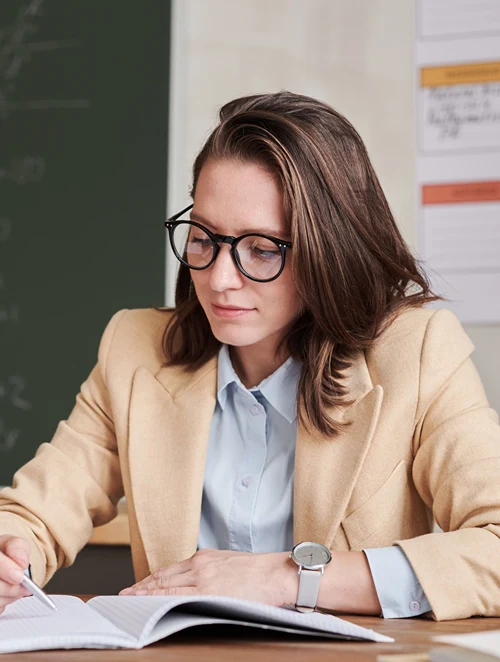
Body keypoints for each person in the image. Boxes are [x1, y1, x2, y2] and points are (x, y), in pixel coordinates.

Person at [1, 91, 500, 621]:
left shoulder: (417, 353)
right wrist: (12, 549)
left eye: (261, 249)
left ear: (330, 249)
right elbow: (34, 513)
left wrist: (286, 578)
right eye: (202, 237)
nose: (217, 279)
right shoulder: (134, 349)